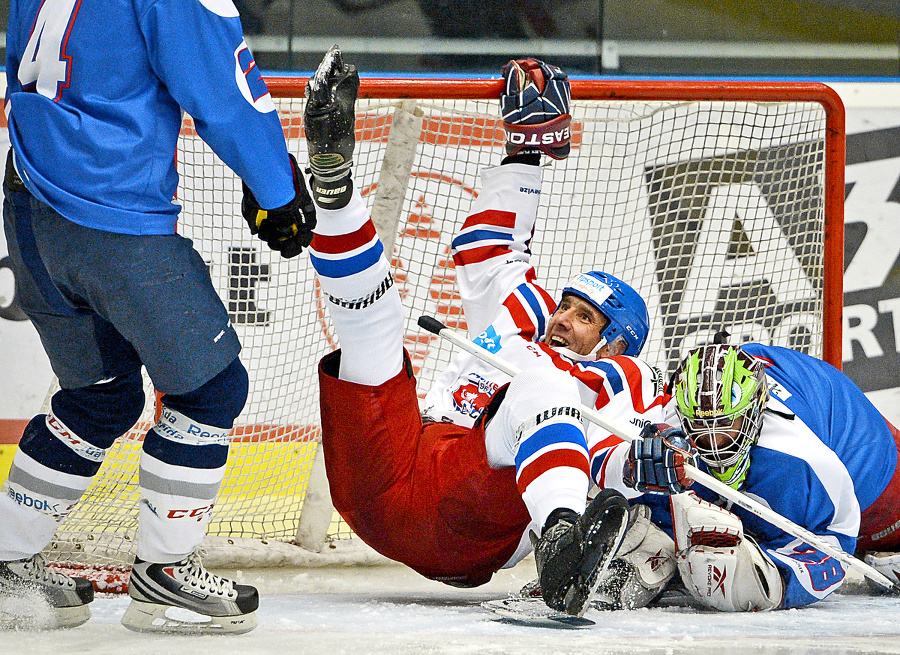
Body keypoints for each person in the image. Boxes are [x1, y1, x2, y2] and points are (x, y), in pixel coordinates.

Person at [303, 46, 676, 617]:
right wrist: (524, 152)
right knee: (378, 326)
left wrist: (637, 463)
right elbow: (487, 251)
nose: (562, 319)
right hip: (388, 475)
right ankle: (332, 189)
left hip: (471, 523)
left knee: (545, 387)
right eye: (566, 305)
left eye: (584, 317)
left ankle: (559, 541)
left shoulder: (624, 377)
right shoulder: (525, 316)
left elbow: (627, 454)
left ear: (617, 342)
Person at [1, 0, 315, 633]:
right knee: (212, 389)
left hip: (28, 211)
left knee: (100, 397)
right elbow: (225, 96)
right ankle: (165, 575)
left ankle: (7, 565)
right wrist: (276, 190)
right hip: (112, 221)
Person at [597, 341, 900, 612]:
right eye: (700, 429)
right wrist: (632, 471)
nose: (714, 444)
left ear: (755, 410)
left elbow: (838, 538)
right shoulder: (670, 417)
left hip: (867, 454)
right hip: (787, 386)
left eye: (726, 424)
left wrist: (776, 581)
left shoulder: (802, 457)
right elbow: (607, 457)